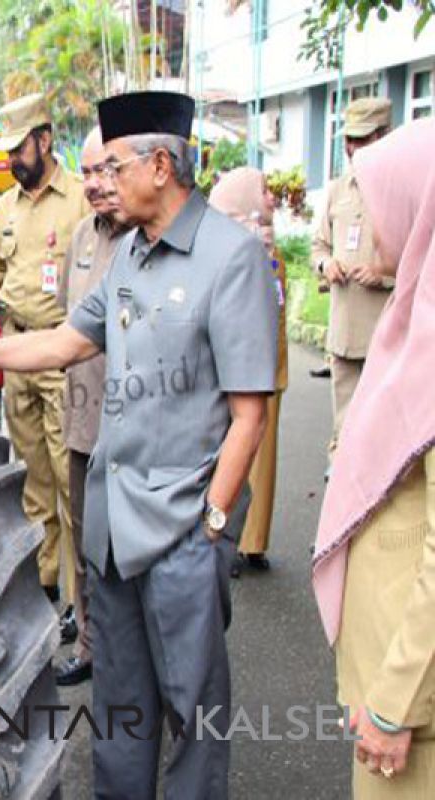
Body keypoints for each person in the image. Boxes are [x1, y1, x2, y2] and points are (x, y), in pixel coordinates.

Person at [0, 91, 278, 799]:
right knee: (120, 708)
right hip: (111, 530)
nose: (100, 180)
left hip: (182, 530)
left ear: (160, 165)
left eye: (113, 164)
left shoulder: (231, 260)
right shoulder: (129, 257)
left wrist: (214, 524)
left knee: (193, 712)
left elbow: (249, 415)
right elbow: (65, 341)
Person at [313, 118, 435, 799]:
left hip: (412, 701)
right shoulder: (418, 312)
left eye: (385, 203)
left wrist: (395, 705)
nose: (377, 225)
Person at [0, 93, 90, 604]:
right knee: (32, 478)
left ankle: (81, 600)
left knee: (72, 480)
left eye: (18, 150)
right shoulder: (5, 206)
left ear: (44, 140)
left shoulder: (79, 199)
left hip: (61, 355)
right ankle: (43, 583)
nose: (11, 161)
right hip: (15, 348)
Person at [53, 126, 130, 687]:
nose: (96, 185)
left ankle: (135, 652)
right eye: (87, 173)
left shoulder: (148, 238)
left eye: (107, 170)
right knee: (84, 541)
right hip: (83, 420)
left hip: (136, 427)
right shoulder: (82, 237)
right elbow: (67, 320)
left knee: (132, 547)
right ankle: (89, 642)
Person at [210, 167, 287, 576]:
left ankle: (251, 540)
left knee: (263, 458)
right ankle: (226, 534)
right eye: (263, 191)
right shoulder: (231, 247)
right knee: (232, 454)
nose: (271, 199)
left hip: (269, 370)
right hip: (236, 371)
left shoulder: (265, 244)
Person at [312, 97, 394, 465]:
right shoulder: (337, 190)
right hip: (343, 332)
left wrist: (384, 274)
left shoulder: (403, 189)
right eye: (349, 140)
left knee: (383, 430)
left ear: (384, 136)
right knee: (343, 428)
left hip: (388, 334)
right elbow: (318, 246)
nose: (353, 148)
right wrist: (325, 264)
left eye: (363, 139)